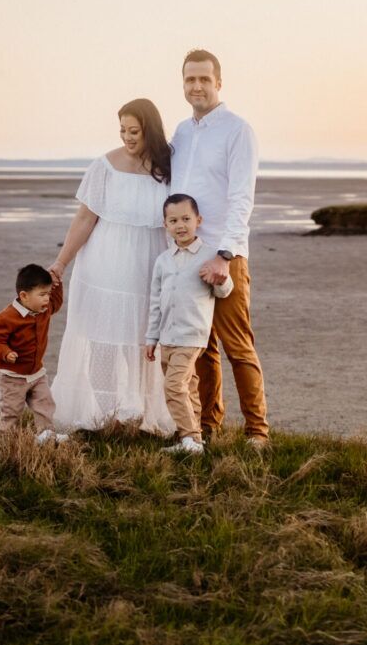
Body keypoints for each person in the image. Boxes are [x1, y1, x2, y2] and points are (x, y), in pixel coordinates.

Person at [48, 99, 174, 434]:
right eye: (122, 130)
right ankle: (106, 415)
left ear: (150, 129)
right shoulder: (104, 166)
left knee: (143, 344)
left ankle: (141, 415)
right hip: (104, 264)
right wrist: (61, 263)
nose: (127, 137)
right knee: (102, 341)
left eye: (134, 131)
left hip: (149, 266)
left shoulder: (169, 166)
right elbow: (85, 218)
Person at [170, 49, 269, 445]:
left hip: (226, 256)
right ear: (183, 84)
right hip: (189, 255)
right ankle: (209, 426)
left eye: (204, 79)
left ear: (218, 83)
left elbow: (242, 197)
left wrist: (225, 255)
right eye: (190, 79)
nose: (197, 86)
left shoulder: (237, 130)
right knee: (201, 347)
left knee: (237, 346)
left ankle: (257, 432)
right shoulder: (180, 132)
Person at [145, 194, 233, 454]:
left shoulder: (209, 256)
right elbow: (155, 303)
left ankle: (190, 438)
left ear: (198, 220)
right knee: (189, 385)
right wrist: (151, 338)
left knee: (173, 386)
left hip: (192, 336)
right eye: (173, 220)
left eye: (186, 219)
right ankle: (195, 437)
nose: (180, 225)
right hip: (167, 337)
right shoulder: (163, 260)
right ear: (166, 225)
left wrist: (220, 279)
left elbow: (224, 292)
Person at [0, 263, 67, 442]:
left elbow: (57, 302)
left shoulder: (43, 310)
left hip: (37, 373)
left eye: (48, 293)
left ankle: (47, 436)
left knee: (45, 405)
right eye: (42, 294)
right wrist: (5, 353)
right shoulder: (5, 318)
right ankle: (7, 444)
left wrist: (57, 283)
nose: (47, 299)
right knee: (12, 412)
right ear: (24, 295)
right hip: (12, 376)